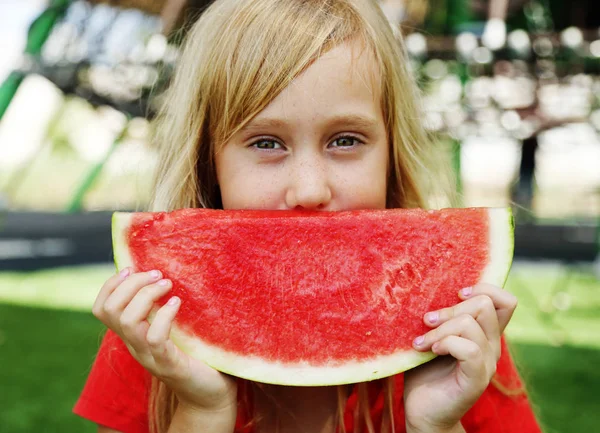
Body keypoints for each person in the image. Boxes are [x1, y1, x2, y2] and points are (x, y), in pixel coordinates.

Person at [74, 0, 542, 432]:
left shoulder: (457, 333)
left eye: (345, 140)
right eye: (266, 143)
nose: (310, 189)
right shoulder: (155, 332)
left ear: (392, 151)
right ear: (206, 158)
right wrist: (202, 409)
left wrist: (436, 425)